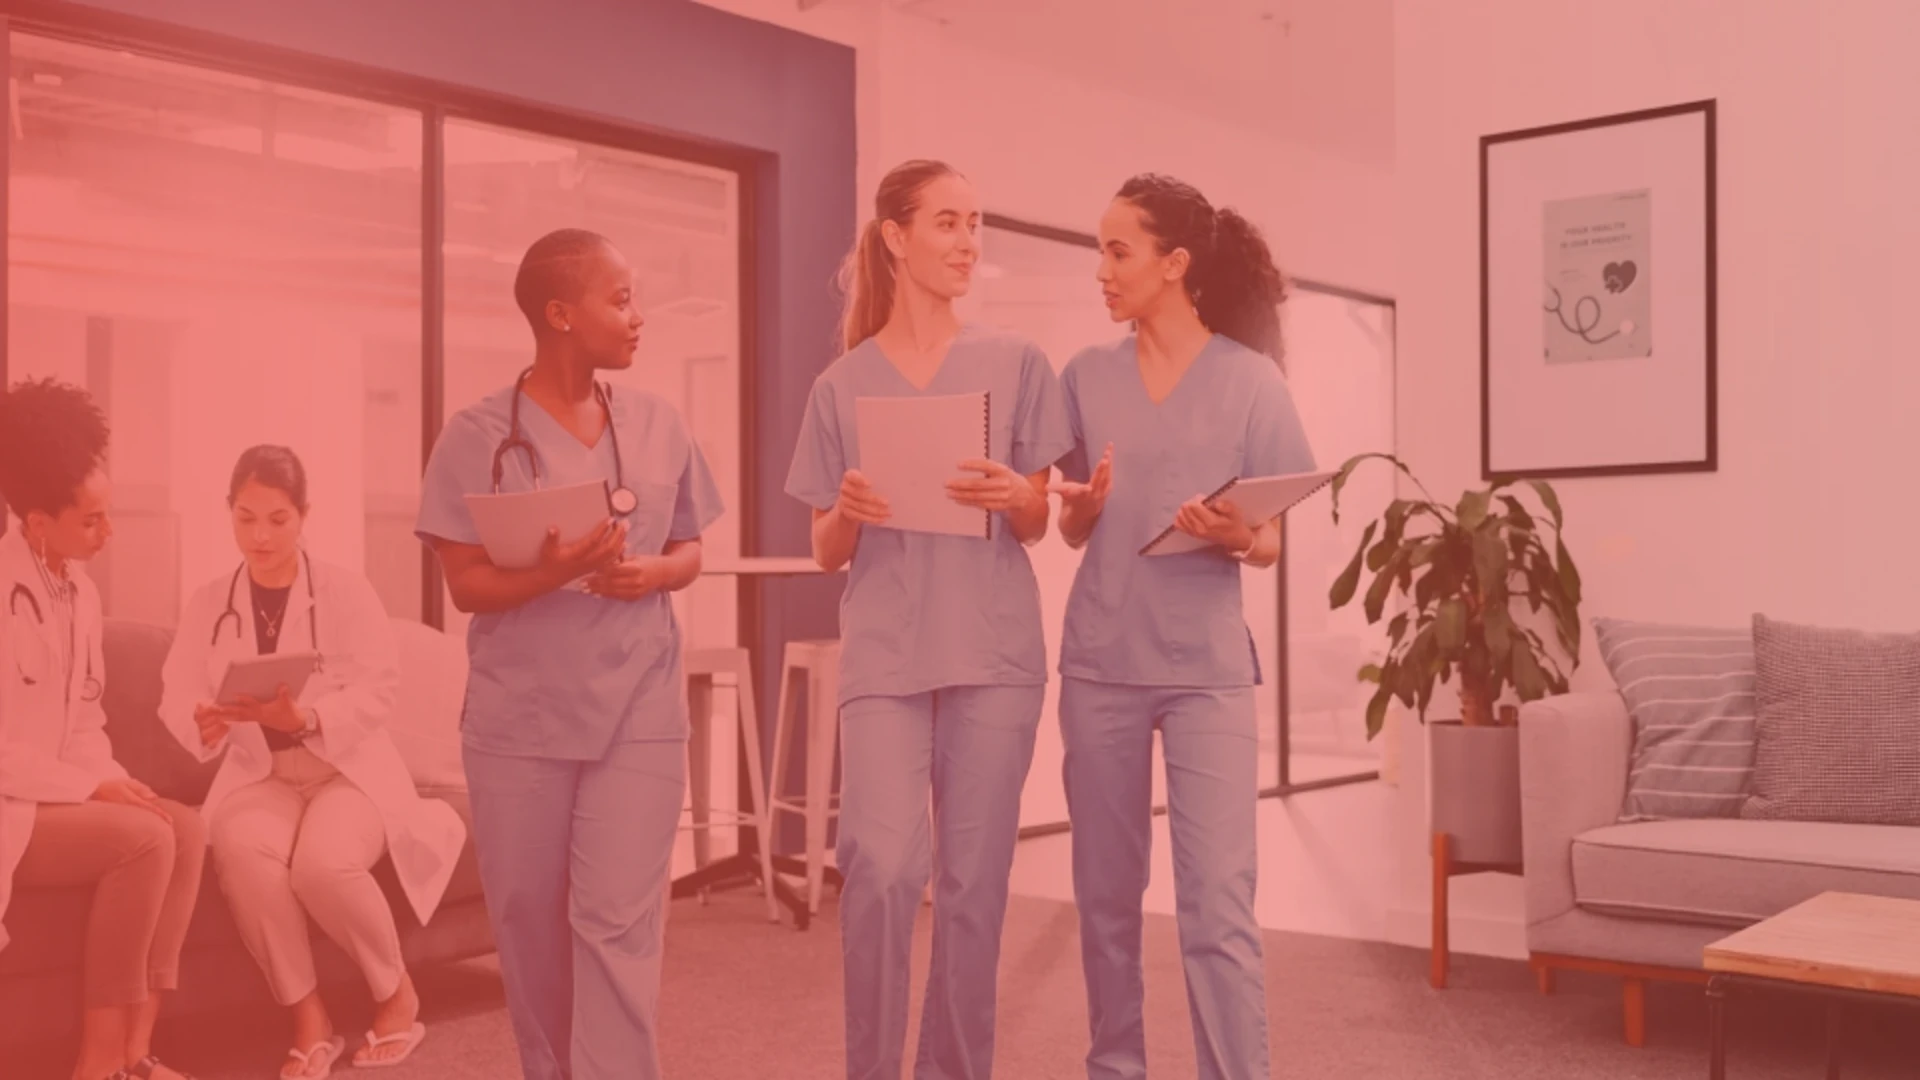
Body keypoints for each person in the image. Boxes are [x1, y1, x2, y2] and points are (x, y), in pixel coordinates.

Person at [785, 159, 1075, 1080]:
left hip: (991, 649)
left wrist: (1012, 493)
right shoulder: (841, 385)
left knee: (973, 887)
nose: (966, 242)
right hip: (885, 651)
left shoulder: (1017, 363)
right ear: (896, 238)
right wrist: (848, 510)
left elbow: (1036, 521)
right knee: (877, 864)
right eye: (946, 223)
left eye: (974, 224)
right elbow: (825, 549)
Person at [414, 227, 724, 1080]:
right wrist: (549, 574)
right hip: (522, 717)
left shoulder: (658, 423)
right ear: (560, 314)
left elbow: (692, 545)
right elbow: (465, 585)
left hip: (640, 709)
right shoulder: (477, 435)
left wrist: (655, 571)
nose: (638, 316)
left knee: (619, 925)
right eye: (620, 299)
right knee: (529, 925)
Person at [1049, 174, 1316, 1080]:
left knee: (1217, 904)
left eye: (1117, 251)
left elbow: (1271, 542)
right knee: (1106, 900)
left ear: (1174, 263)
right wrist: (1083, 507)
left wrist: (1237, 532)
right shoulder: (1084, 377)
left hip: (1207, 672)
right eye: (1101, 250)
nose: (1102, 270)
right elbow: (1070, 522)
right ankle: (1114, 1068)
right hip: (1100, 663)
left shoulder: (1252, 381)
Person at [156, 445, 467, 1077]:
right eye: (245, 518)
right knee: (242, 853)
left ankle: (395, 992)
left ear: (304, 516)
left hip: (344, 771)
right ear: (229, 514)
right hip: (259, 775)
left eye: (277, 518)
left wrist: (309, 720)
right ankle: (308, 1016)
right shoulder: (209, 601)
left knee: (323, 867)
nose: (260, 535)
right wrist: (204, 721)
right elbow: (177, 692)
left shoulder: (346, 592)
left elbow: (380, 687)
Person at [0, 378, 204, 1080]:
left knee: (182, 826)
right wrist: (92, 788)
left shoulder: (79, 595)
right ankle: (96, 1065)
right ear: (36, 522)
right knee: (143, 840)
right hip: (12, 806)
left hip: (58, 795)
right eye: (91, 520)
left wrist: (114, 782)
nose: (108, 532)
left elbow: (86, 718)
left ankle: (135, 1052)